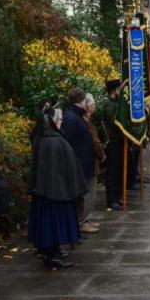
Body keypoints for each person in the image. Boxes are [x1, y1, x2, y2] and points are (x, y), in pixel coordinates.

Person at [27, 103, 87, 269]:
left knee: (50, 226)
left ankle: (52, 252)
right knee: (53, 225)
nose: (61, 123)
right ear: (51, 122)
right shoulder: (52, 141)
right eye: (59, 120)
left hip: (49, 193)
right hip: (55, 194)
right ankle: (51, 255)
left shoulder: (46, 139)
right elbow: (56, 171)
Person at [60, 88, 98, 234]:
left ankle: (85, 220)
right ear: (82, 101)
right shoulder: (72, 118)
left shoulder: (75, 115)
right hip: (80, 163)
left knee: (87, 193)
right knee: (85, 194)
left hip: (83, 161)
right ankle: (82, 222)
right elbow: (68, 142)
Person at [101, 80, 124, 211]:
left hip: (118, 141)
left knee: (118, 171)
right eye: (119, 89)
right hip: (113, 142)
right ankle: (112, 200)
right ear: (114, 90)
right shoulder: (109, 105)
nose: (120, 91)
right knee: (112, 173)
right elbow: (116, 122)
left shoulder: (115, 103)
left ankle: (116, 197)